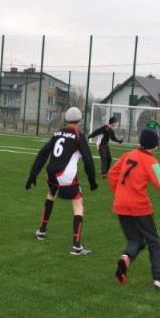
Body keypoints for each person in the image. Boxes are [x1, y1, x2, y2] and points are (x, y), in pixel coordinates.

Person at [108, 128, 160, 291]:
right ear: (155, 145)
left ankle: (125, 257)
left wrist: (120, 192)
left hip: (120, 204)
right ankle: (159, 280)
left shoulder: (128, 155)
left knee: (136, 240)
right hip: (139, 206)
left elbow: (112, 174)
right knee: (154, 241)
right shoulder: (150, 161)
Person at [26, 107, 98, 256]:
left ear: (66, 119)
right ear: (79, 120)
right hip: (65, 175)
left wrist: (33, 175)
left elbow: (43, 153)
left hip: (51, 173)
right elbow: (88, 161)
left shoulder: (57, 133)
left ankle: (41, 231)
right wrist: (92, 181)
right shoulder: (78, 135)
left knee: (51, 194)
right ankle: (76, 246)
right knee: (78, 205)